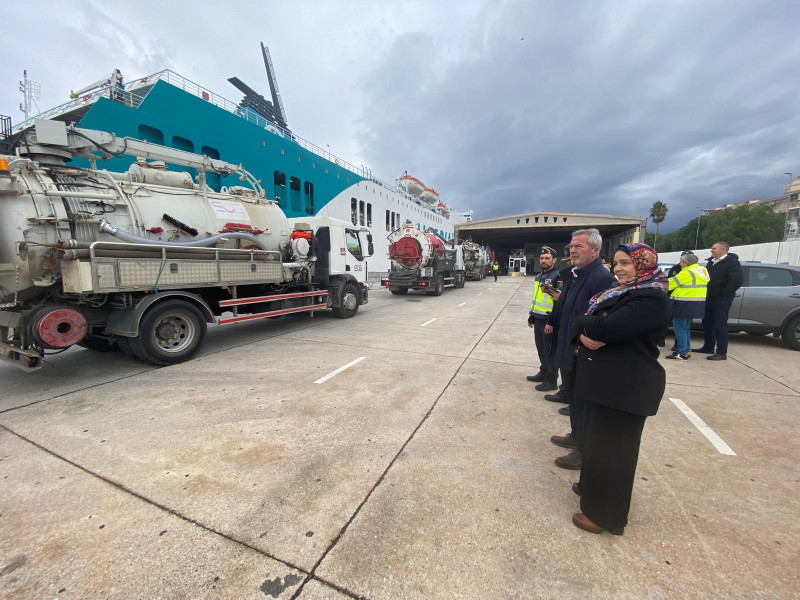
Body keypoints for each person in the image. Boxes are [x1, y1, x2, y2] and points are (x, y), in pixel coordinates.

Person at [570, 243, 669, 535]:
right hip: (606, 384)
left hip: (626, 387)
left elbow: (606, 328)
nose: (619, 269)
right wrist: (583, 331)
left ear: (644, 264)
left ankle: (604, 516)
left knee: (615, 453)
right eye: (616, 263)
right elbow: (588, 322)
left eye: (626, 263)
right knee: (597, 444)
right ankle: (590, 490)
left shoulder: (650, 297)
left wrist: (584, 324)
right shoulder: (623, 292)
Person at [545, 228, 615, 470]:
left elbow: (601, 317)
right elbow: (566, 308)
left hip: (582, 351)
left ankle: (585, 450)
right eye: (572, 246)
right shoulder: (575, 275)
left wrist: (584, 336)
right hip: (568, 345)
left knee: (585, 402)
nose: (572, 250)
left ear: (595, 250)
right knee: (574, 397)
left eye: (579, 246)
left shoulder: (601, 279)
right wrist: (553, 325)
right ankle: (576, 435)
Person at [693, 241, 743, 361]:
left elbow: (737, 280)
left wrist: (723, 293)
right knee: (707, 322)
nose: (712, 250)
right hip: (709, 297)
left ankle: (721, 352)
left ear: (723, 250)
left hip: (721, 298)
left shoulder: (732, 262)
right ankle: (708, 346)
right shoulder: (712, 261)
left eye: (714, 248)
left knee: (720, 324)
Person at [526, 246, 562, 391]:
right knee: (541, 348)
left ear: (554, 260)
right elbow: (537, 298)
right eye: (542, 258)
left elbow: (558, 301)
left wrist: (552, 321)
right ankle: (543, 372)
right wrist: (532, 316)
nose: (544, 261)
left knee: (550, 351)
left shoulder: (557, 277)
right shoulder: (539, 276)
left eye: (547, 258)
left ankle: (551, 380)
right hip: (538, 318)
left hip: (549, 320)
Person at [666, 253, 708, 360]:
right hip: (694, 304)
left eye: (681, 261)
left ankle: (682, 353)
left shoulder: (686, 273)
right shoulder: (701, 271)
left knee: (679, 329)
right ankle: (686, 350)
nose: (680, 263)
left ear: (686, 263)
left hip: (682, 304)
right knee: (686, 329)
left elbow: (669, 284)